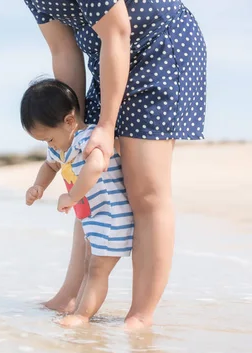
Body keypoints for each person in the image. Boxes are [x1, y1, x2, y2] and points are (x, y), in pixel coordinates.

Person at [22, 0, 207, 329]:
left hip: (156, 47)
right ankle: (72, 296)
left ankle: (140, 315)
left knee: (145, 189)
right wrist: (71, 131)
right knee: (87, 175)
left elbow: (118, 31)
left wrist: (106, 126)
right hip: (106, 56)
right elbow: (63, 48)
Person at [21, 78, 133, 326]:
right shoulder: (61, 147)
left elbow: (96, 165)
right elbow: (50, 165)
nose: (49, 145)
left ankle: (82, 315)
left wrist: (72, 196)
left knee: (97, 270)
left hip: (113, 215)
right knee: (88, 267)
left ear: (70, 121)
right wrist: (38, 185)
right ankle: (80, 311)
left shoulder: (87, 139)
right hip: (95, 216)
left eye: (49, 139)